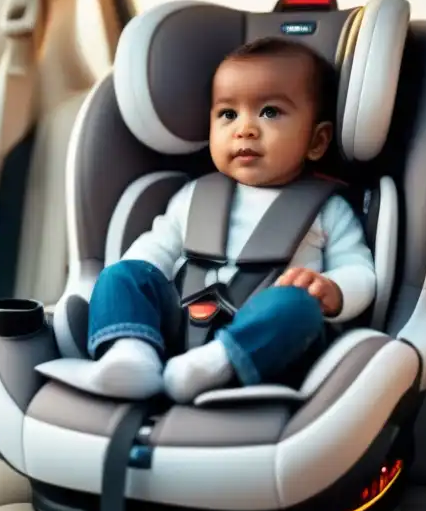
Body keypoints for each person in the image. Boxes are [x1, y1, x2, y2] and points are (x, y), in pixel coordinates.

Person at [69, 37, 375, 403]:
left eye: (270, 112)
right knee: (122, 273)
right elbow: (156, 249)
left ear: (317, 140)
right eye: (228, 114)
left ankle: (217, 364)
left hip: (269, 343)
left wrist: (333, 290)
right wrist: (136, 284)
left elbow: (361, 273)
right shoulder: (193, 196)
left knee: (296, 307)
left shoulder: (330, 210)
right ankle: (131, 353)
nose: (245, 128)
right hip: (182, 322)